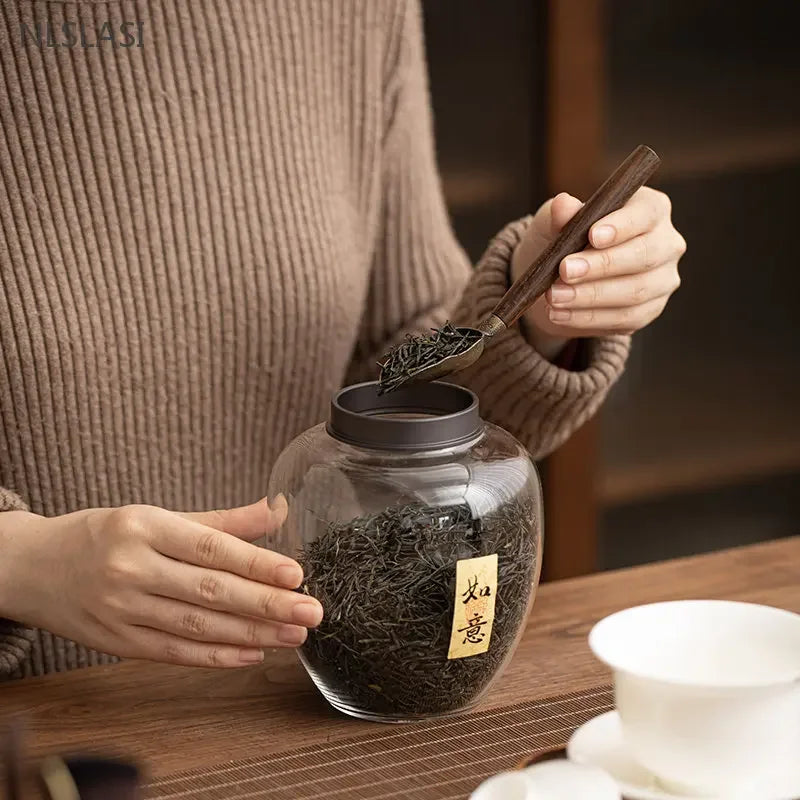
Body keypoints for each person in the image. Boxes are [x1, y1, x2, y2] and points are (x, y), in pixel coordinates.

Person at [0, 0, 685, 680]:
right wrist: (24, 562)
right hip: (48, 726)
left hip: (326, 692)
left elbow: (401, 383)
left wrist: (539, 319)